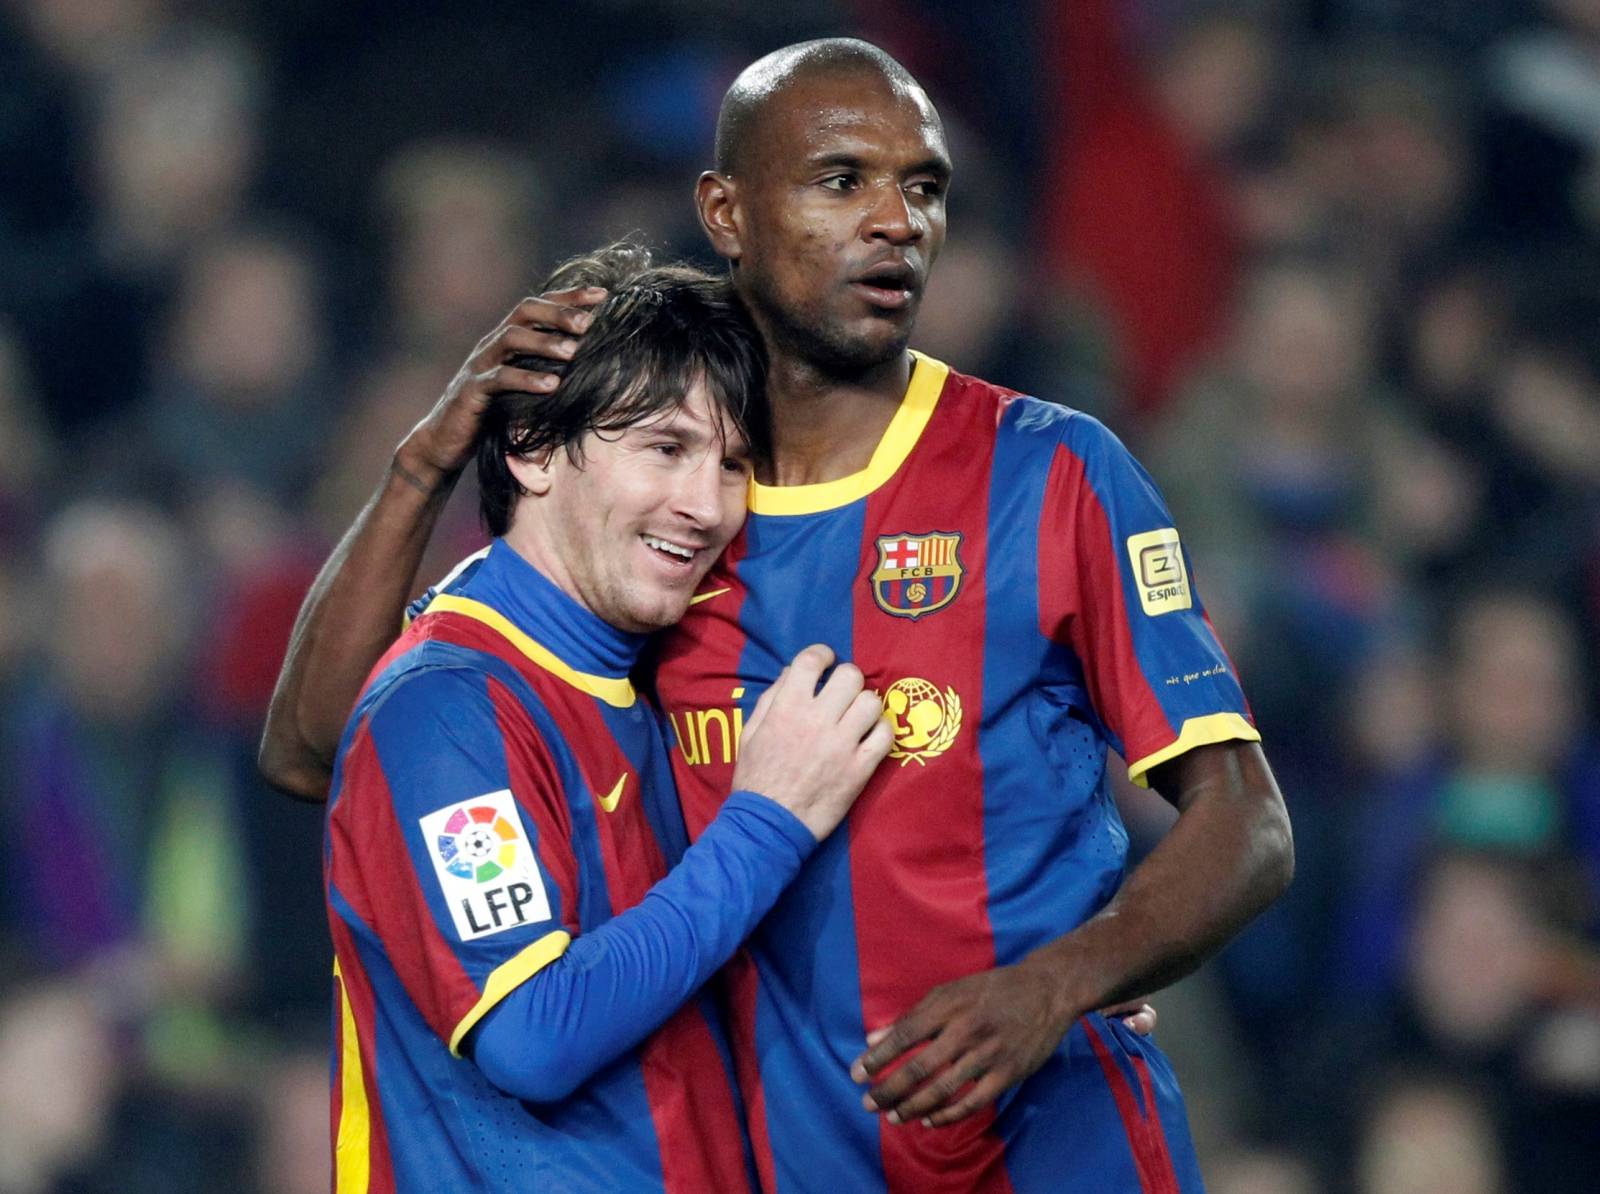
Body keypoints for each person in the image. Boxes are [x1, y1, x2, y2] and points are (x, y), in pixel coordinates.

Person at [264, 39, 1293, 1192]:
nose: (896, 219)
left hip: (1049, 1146)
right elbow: (325, 744)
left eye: (924, 185)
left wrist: (1066, 978)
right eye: (841, 180)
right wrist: (427, 463)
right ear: (725, 209)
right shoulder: (656, 543)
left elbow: (1247, 823)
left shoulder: (1053, 473)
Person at [321, 245, 891, 1190]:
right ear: (534, 449)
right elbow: (530, 1034)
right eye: (665, 448)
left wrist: (1035, 980)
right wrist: (767, 821)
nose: (704, 505)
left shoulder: (668, 683)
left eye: (734, 464)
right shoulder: (443, 712)